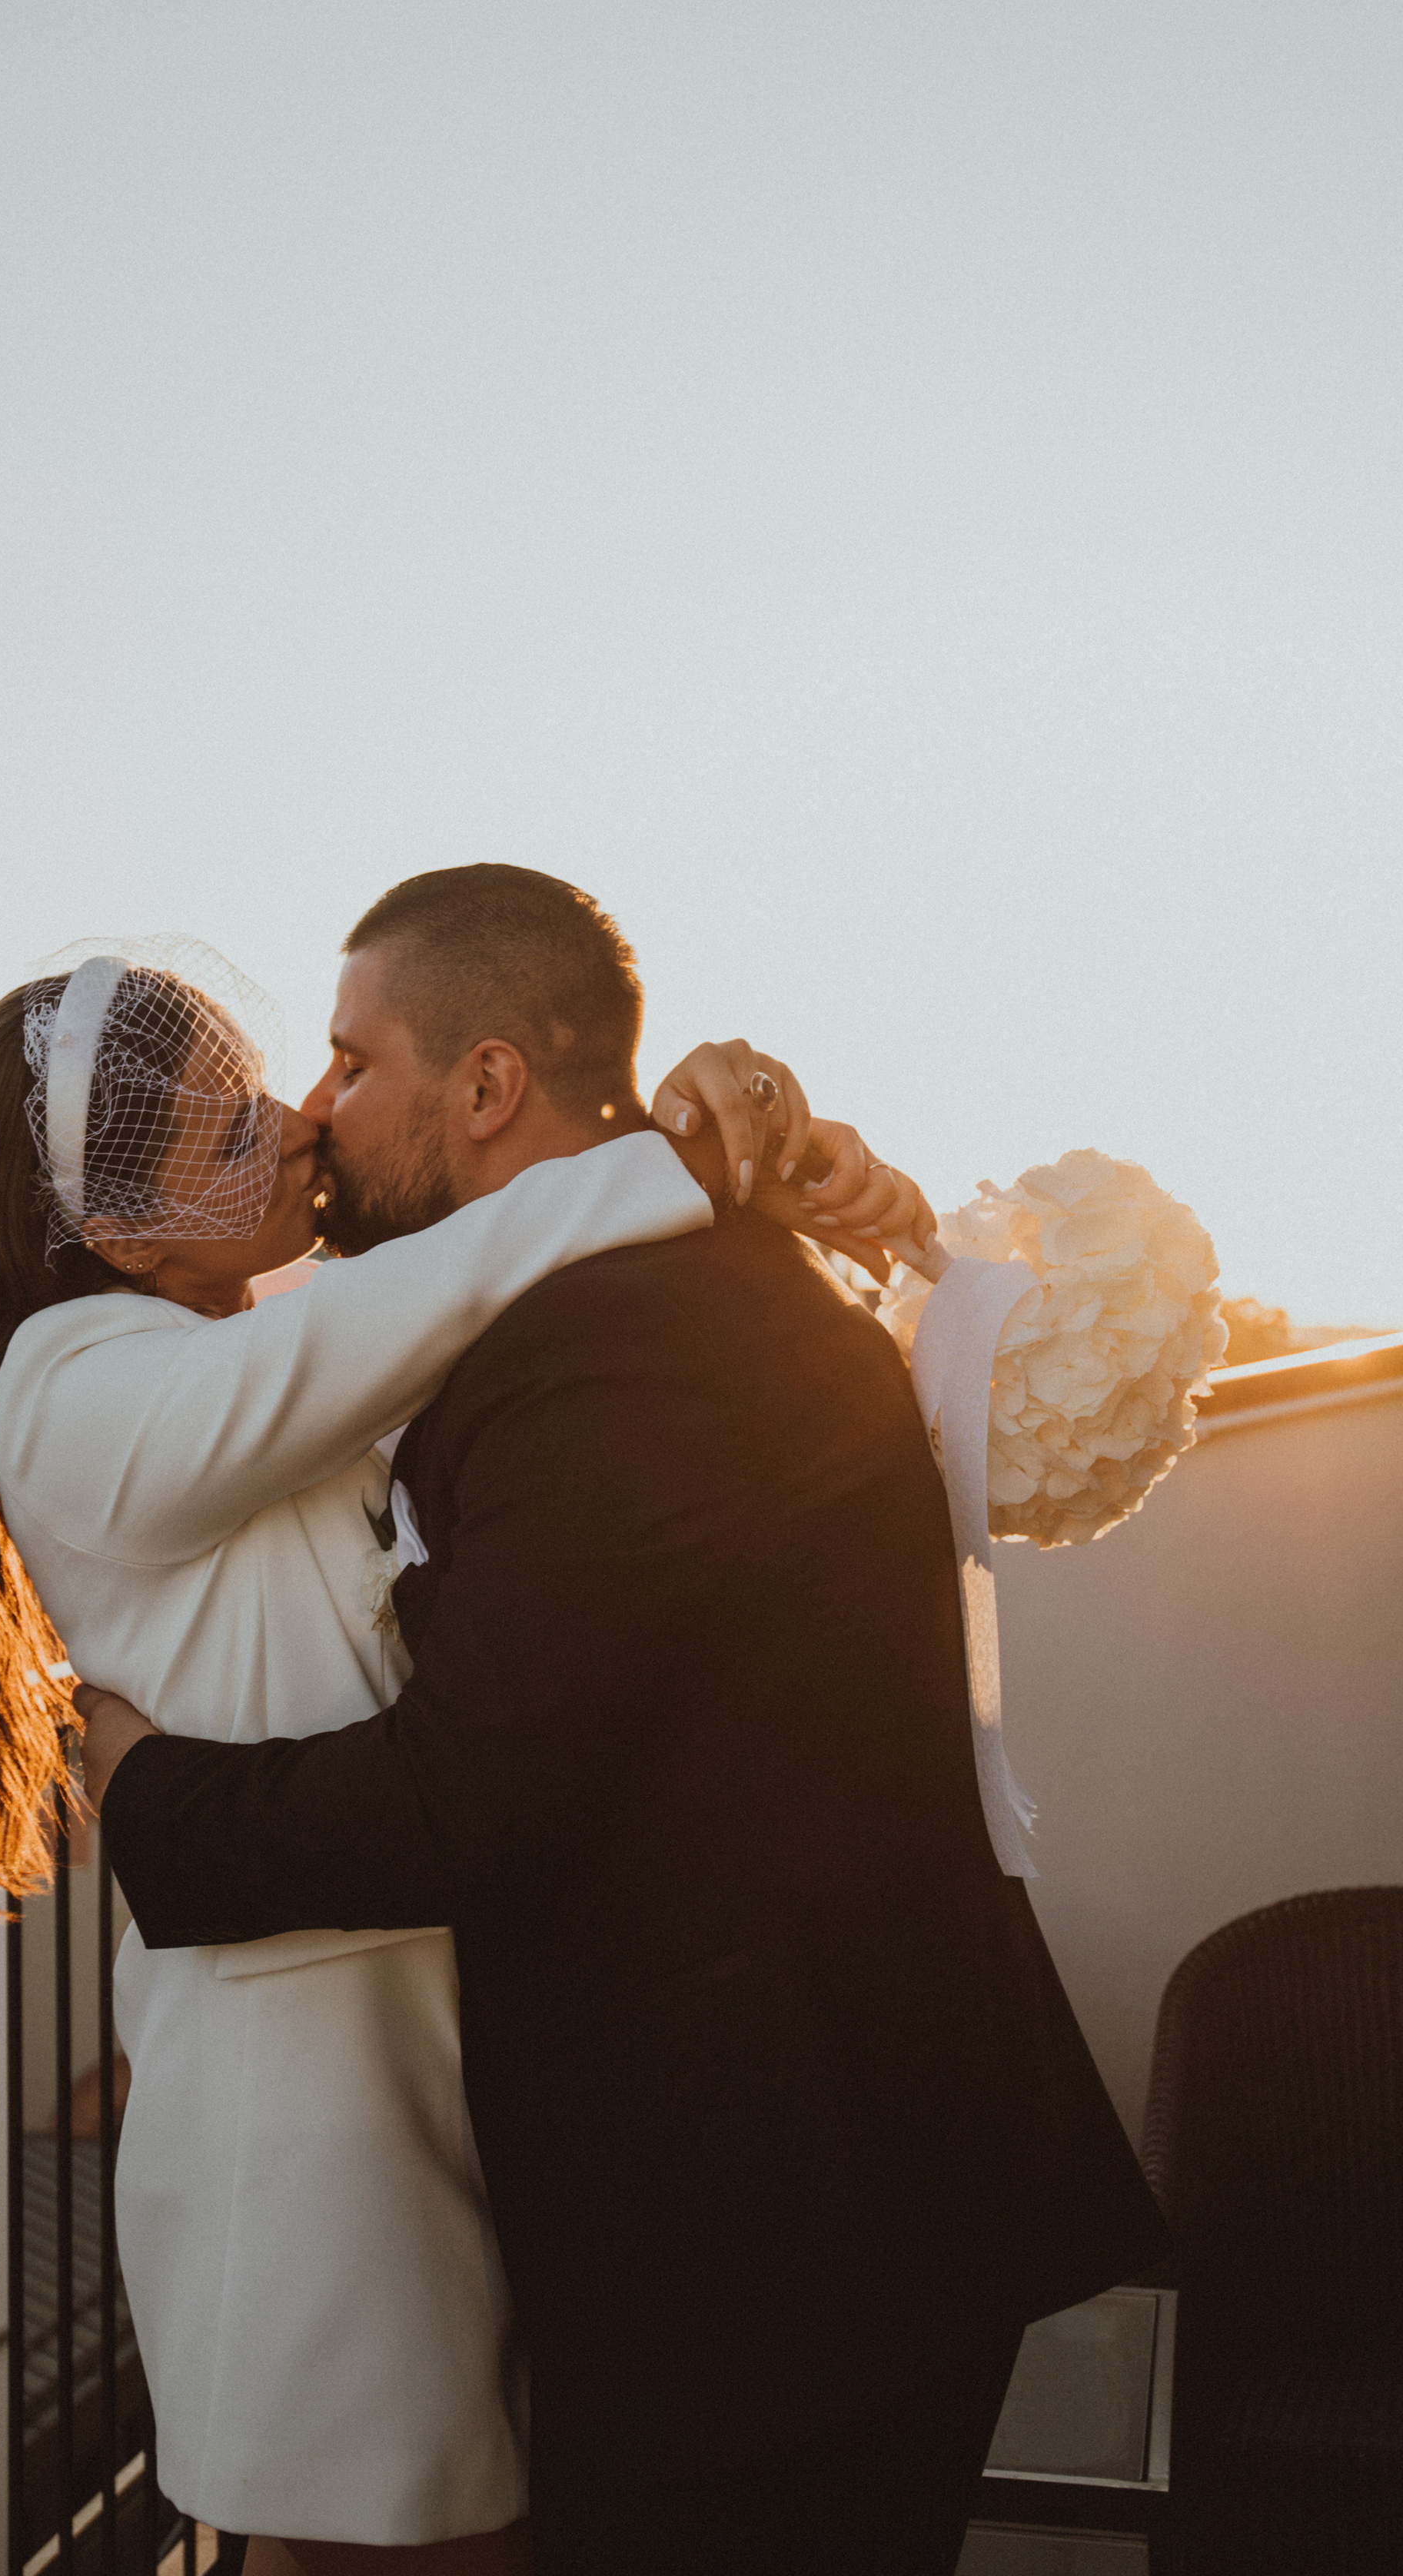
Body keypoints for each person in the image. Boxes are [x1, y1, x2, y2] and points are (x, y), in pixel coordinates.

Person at [78, 864, 1170, 2576]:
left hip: (786, 2239)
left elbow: (468, 1797)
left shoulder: (619, 1346)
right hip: (808, 2190)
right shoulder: (627, 1293)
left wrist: (146, 1798)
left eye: (352, 1063)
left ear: (489, 1084)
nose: (313, 1111)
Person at [0, 906, 921, 2576]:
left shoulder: (210, 1343)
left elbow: (455, 1322)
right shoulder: (68, 1383)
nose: (300, 1123)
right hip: (293, 2129)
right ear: (117, 1219)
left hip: (411, 2069)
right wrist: (668, 1151)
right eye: (234, 1125)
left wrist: (736, 1133)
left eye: (296, 1087)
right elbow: (429, 1295)